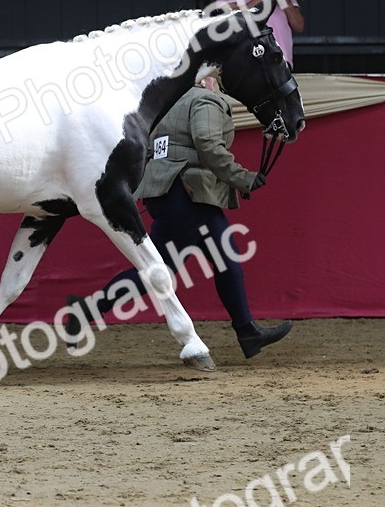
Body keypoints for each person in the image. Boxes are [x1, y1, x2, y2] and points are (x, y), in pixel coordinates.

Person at [65, 76, 293, 359]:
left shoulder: (165, 104)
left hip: (168, 194)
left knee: (224, 261)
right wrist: (241, 177)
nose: (219, 83)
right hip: (188, 195)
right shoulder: (205, 100)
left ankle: (247, 331)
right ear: (207, 78)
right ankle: (86, 311)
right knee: (158, 270)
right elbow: (208, 144)